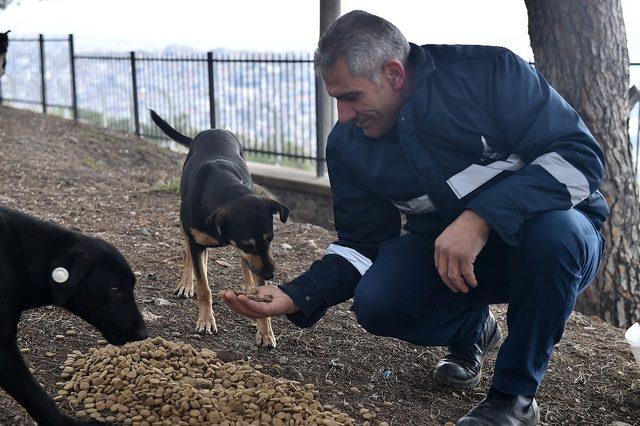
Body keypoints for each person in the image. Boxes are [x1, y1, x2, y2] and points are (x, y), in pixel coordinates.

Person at [220, 10, 609, 426]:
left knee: (556, 232)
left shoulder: (488, 74)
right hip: (454, 258)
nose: (343, 116)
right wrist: (298, 294)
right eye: (336, 99)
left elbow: (579, 158)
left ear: (393, 73)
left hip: (556, 243)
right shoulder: (349, 144)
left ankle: (513, 399)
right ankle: (472, 330)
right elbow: (360, 243)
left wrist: (481, 217)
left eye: (351, 97)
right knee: (378, 301)